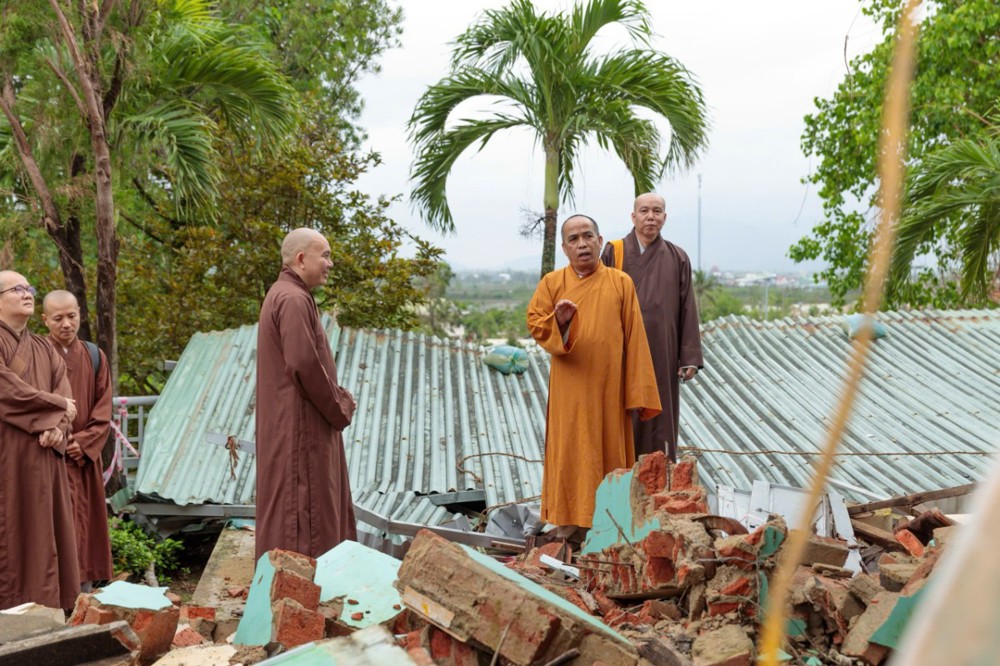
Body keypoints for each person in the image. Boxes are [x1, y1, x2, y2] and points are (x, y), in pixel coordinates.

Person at [527, 215, 661, 539]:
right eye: (573, 239)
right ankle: (568, 522)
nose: (582, 244)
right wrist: (560, 322)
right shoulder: (552, 283)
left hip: (608, 390)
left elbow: (636, 338)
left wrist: (637, 391)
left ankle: (610, 523)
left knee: (608, 453)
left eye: (588, 236)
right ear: (564, 248)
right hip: (569, 393)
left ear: (601, 242)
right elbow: (536, 323)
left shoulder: (620, 282)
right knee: (570, 453)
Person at [255, 228, 357, 560]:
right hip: (301, 430)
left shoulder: (285, 294)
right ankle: (303, 600)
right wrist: (338, 405)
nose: (330, 263)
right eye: (324, 255)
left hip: (296, 425)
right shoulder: (293, 298)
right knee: (305, 520)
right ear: (301, 259)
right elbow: (303, 364)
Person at [601, 193, 703, 462]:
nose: (650, 216)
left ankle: (658, 476)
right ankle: (620, 473)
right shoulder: (615, 250)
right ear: (633, 217)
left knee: (660, 414)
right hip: (622, 352)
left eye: (657, 211)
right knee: (623, 411)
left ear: (664, 218)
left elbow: (687, 308)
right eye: (644, 211)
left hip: (663, 351)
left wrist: (689, 356)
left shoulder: (677, 257)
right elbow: (599, 299)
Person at [0, 271, 80, 610]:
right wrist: (56, 409)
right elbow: (6, 390)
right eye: (17, 289)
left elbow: (64, 390)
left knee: (46, 531)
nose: (27, 293)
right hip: (8, 455)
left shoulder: (44, 347)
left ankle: (49, 606)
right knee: (12, 530)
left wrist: (59, 426)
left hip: (46, 454)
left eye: (29, 287)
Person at [42, 290, 113, 593]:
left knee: (84, 527)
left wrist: (83, 442)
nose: (66, 324)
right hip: (48, 458)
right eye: (58, 318)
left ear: (80, 315)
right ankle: (52, 595)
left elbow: (104, 407)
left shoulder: (95, 356)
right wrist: (57, 436)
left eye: (72, 316)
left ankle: (83, 595)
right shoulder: (36, 353)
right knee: (51, 529)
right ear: (45, 320)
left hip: (82, 460)